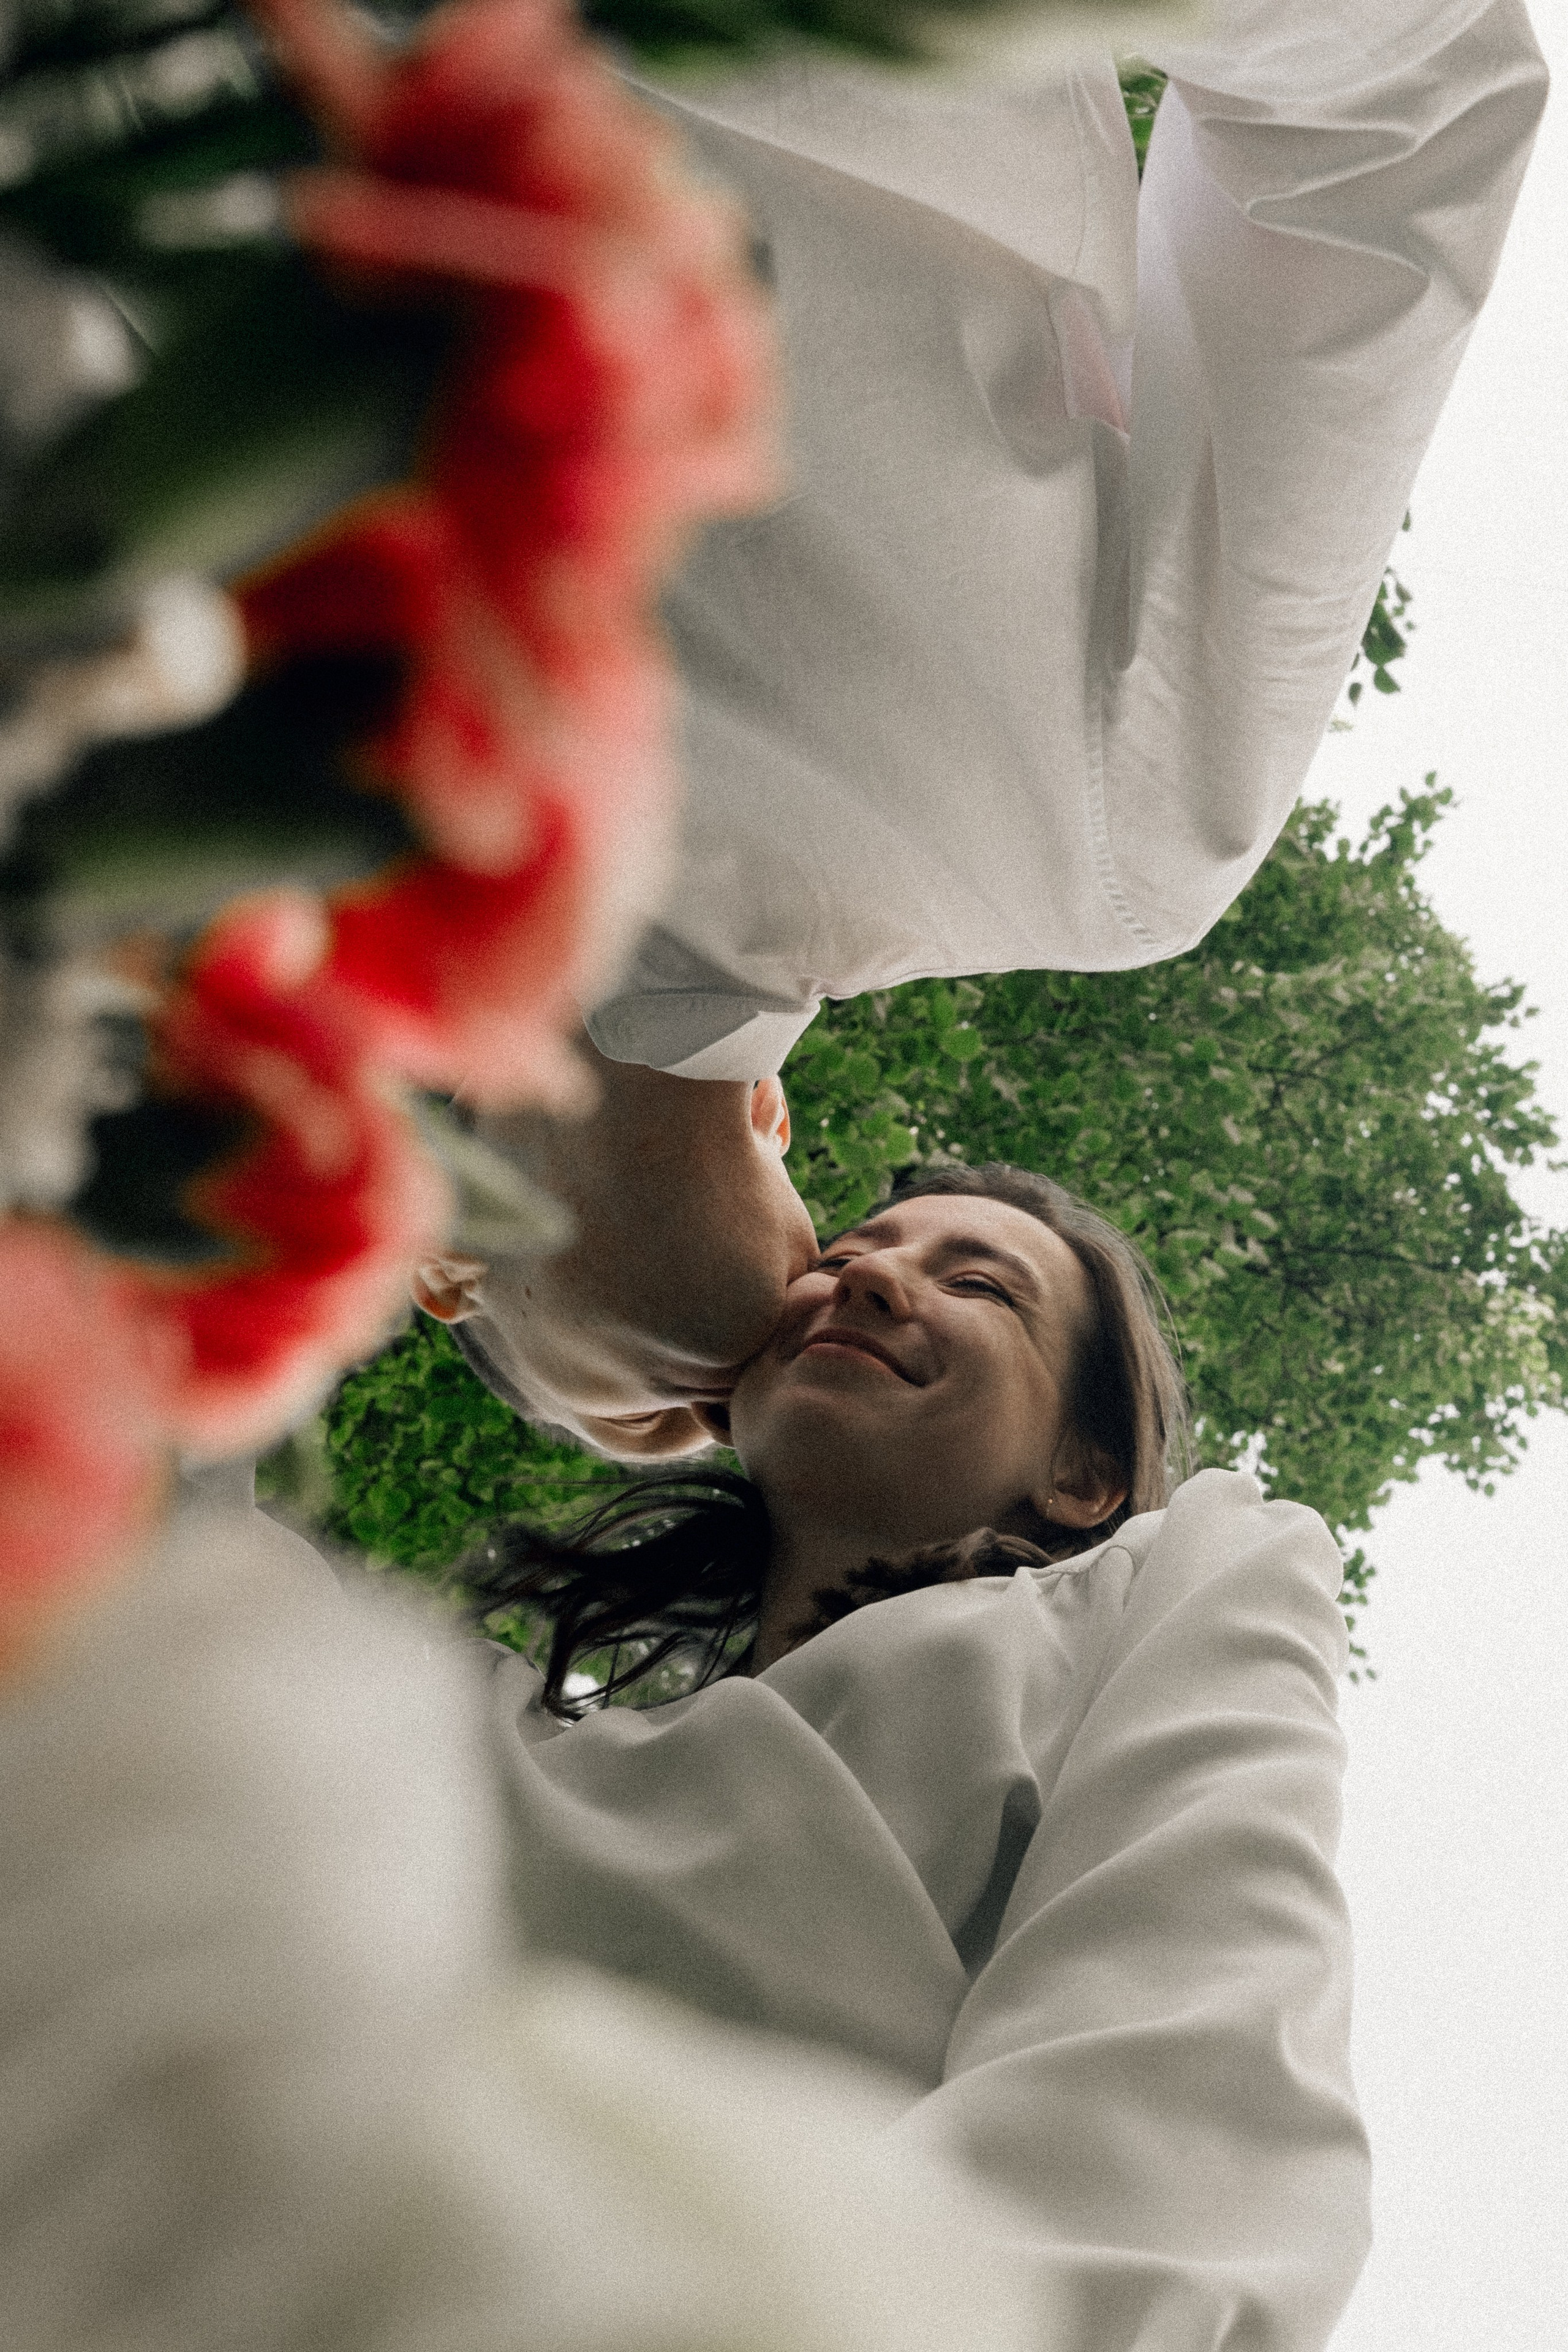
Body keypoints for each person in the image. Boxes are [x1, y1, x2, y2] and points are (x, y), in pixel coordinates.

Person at [416, 0, 1548, 1452]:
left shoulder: (137, 782)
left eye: (676, 1434)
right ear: (777, 1122)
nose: (774, 1409)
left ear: (434, 1261)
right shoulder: (1102, 852)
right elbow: (1405, 111)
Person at [468, 1164, 1373, 2352]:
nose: (874, 1278)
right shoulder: (489, 1741)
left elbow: (1171, 2096)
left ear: (1082, 1473)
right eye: (836, 1260)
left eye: (981, 1287)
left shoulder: (1169, 1587)